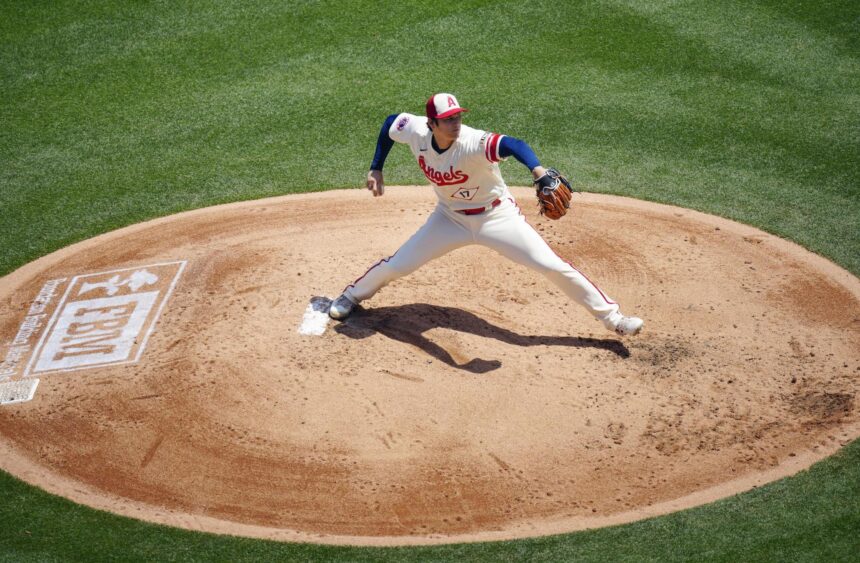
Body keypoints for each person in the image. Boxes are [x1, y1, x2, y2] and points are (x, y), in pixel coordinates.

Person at [328, 93, 643, 337]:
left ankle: (614, 319)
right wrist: (376, 167)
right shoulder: (415, 132)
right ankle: (350, 297)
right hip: (449, 218)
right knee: (399, 264)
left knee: (551, 265)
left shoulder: (472, 142)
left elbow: (513, 144)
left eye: (458, 117)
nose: (456, 123)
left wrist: (537, 169)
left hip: (497, 218)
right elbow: (389, 123)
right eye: (448, 119)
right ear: (431, 124)